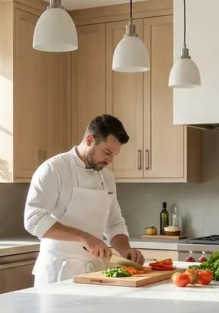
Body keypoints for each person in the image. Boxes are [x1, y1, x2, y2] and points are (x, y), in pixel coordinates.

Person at [24, 114, 144, 286]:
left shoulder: (107, 178)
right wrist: (84, 237)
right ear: (89, 140)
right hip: (58, 272)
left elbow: (114, 223)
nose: (109, 160)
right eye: (107, 152)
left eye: (114, 155)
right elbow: (33, 219)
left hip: (96, 271)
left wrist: (126, 249)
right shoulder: (54, 169)